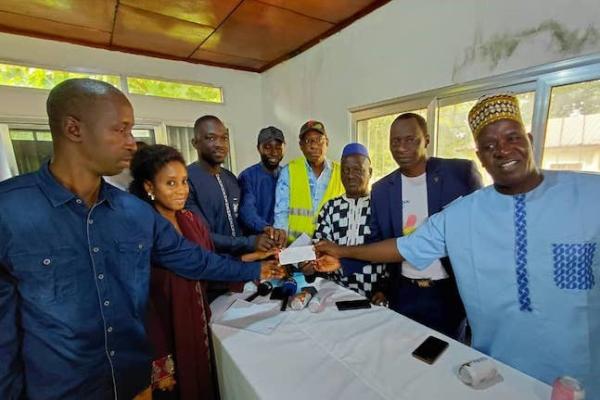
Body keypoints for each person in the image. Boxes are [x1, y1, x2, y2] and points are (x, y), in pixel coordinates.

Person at [0, 79, 284, 400]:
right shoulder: (9, 210)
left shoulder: (134, 213)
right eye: (120, 130)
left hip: (134, 383)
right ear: (74, 129)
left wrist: (254, 269)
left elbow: (192, 258)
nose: (132, 143)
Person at [315, 93, 600, 395]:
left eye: (512, 137)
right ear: (481, 156)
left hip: (583, 374)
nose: (503, 150)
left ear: (529, 139)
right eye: (489, 145)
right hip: (496, 371)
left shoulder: (590, 195)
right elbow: (403, 247)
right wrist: (341, 252)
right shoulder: (462, 214)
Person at [129, 144, 272, 399]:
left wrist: (256, 258)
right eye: (170, 183)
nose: (181, 190)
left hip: (197, 321)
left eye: (184, 181)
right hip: (165, 329)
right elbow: (195, 266)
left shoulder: (191, 220)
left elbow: (209, 262)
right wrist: (253, 267)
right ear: (149, 187)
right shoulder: (145, 229)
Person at [370, 112, 482, 339]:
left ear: (426, 140)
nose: (401, 148)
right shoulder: (381, 190)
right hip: (403, 293)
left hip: (447, 293)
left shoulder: (460, 174)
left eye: (410, 139)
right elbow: (378, 241)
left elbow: (480, 231)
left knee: (448, 353)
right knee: (403, 350)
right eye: (395, 141)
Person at [308, 143, 387, 302]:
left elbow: (391, 252)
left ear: (370, 172)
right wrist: (309, 265)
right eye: (345, 170)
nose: (350, 175)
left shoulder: (382, 206)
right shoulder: (330, 208)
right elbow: (321, 250)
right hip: (335, 294)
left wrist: (385, 289)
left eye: (357, 170)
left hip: (375, 295)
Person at [186, 115, 276, 255]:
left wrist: (266, 232)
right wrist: (250, 243)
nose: (219, 144)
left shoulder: (230, 178)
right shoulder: (186, 180)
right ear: (195, 143)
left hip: (240, 262)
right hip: (211, 264)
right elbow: (202, 235)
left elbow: (241, 219)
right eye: (211, 138)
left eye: (224, 138)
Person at [273, 120, 344, 243]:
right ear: (301, 145)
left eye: (319, 140)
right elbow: (281, 213)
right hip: (295, 248)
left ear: (327, 142)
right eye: (308, 141)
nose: (314, 146)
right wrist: (281, 242)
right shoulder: (289, 171)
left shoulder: (342, 173)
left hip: (331, 248)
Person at [238, 126, 287, 246]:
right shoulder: (248, 176)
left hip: (285, 242)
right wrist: (266, 228)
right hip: (259, 243)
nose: (274, 152)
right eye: (267, 147)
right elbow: (247, 210)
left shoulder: (288, 175)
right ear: (258, 148)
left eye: (278, 147)